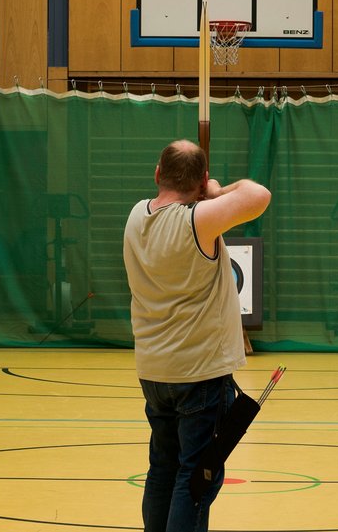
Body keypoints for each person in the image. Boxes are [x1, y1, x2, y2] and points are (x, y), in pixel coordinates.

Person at [123, 139, 271, 532]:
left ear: (158, 174)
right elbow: (259, 195)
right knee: (195, 478)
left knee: (163, 470)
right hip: (198, 375)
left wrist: (204, 194)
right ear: (202, 182)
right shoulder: (199, 220)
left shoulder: (137, 215)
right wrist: (217, 192)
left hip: (153, 373)